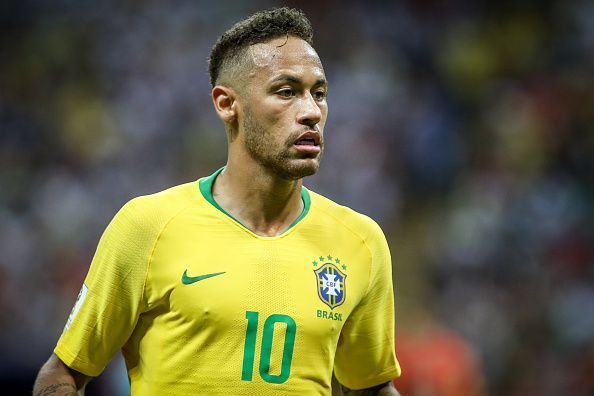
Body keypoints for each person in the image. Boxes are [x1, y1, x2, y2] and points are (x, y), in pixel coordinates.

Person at [33, 7, 401, 395]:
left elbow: (372, 387)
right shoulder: (148, 225)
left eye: (319, 94)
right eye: (286, 91)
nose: (311, 111)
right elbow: (63, 375)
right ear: (227, 104)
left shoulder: (361, 242)